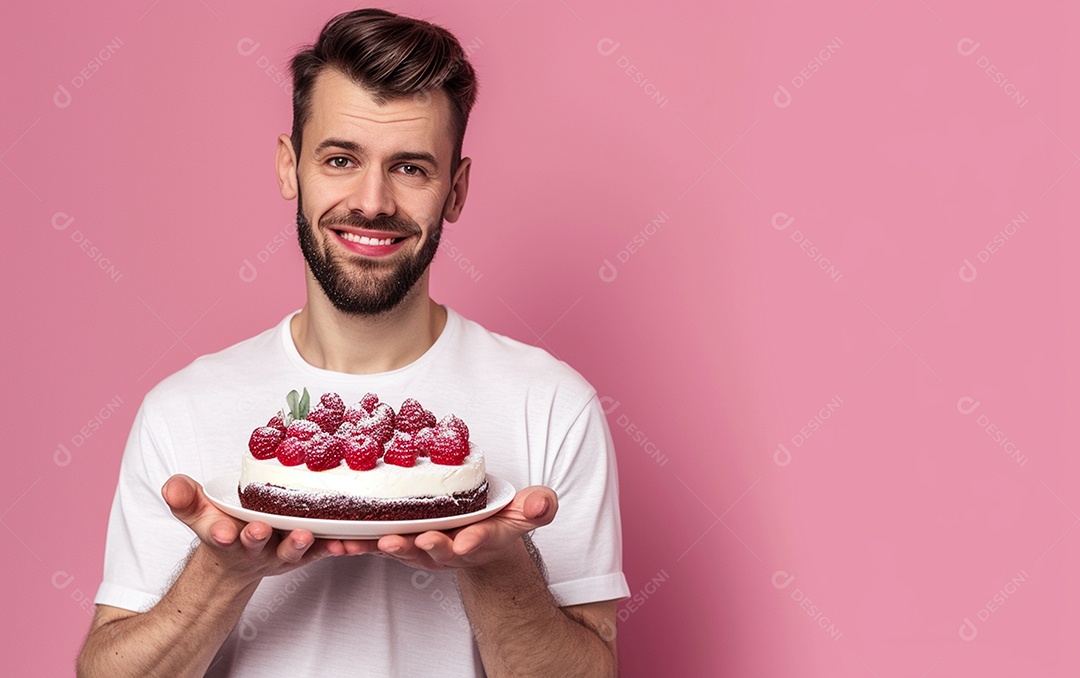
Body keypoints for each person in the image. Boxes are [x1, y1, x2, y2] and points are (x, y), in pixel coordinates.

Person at [76, 8, 628, 677]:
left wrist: (497, 562)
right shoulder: (182, 408)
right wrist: (221, 572)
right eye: (341, 159)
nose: (372, 201)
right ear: (290, 168)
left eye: (410, 168)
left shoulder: (551, 403)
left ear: (455, 190)